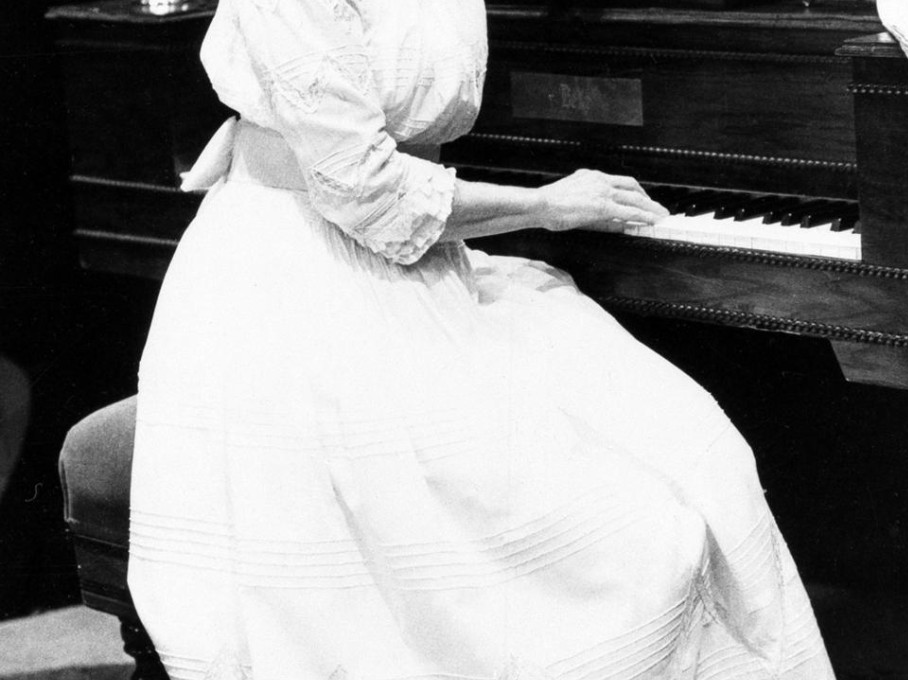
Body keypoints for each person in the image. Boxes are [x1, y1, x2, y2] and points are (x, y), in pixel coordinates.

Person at [127, 1, 835, 678]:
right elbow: (362, 189)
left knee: (693, 451)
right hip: (294, 287)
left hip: (424, 263)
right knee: (623, 535)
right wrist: (547, 204)